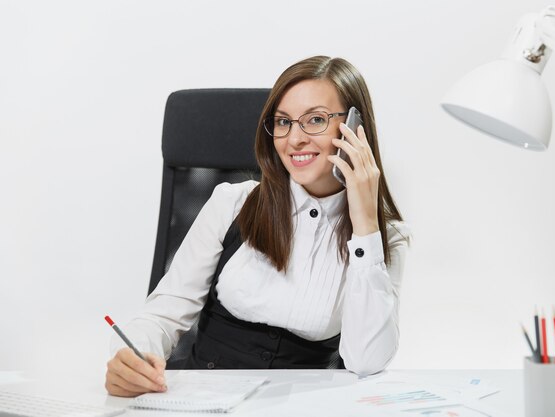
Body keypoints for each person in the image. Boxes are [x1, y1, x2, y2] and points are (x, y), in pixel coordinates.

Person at [105, 55, 410, 397]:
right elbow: (164, 314)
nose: (294, 139)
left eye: (315, 119)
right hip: (200, 403)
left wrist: (365, 225)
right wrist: (134, 357)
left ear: (355, 128)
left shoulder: (386, 239)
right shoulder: (233, 204)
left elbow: (367, 362)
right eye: (283, 122)